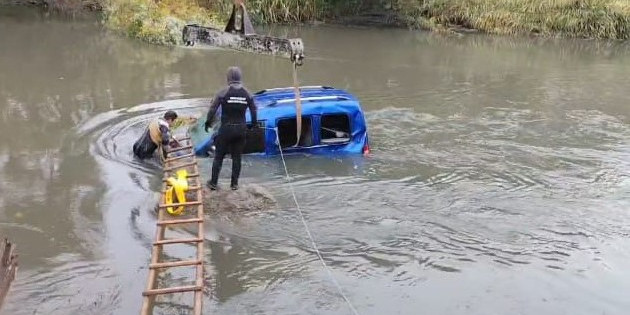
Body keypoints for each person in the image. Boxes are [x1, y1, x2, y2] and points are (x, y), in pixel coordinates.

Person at [204, 66, 257, 191]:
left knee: (219, 156)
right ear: (240, 78)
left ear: (228, 78)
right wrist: (253, 125)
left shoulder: (223, 92)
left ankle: (213, 183)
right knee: (237, 157)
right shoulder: (247, 93)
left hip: (226, 129)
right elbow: (254, 110)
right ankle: (234, 184)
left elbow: (212, 109)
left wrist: (208, 122)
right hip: (240, 130)